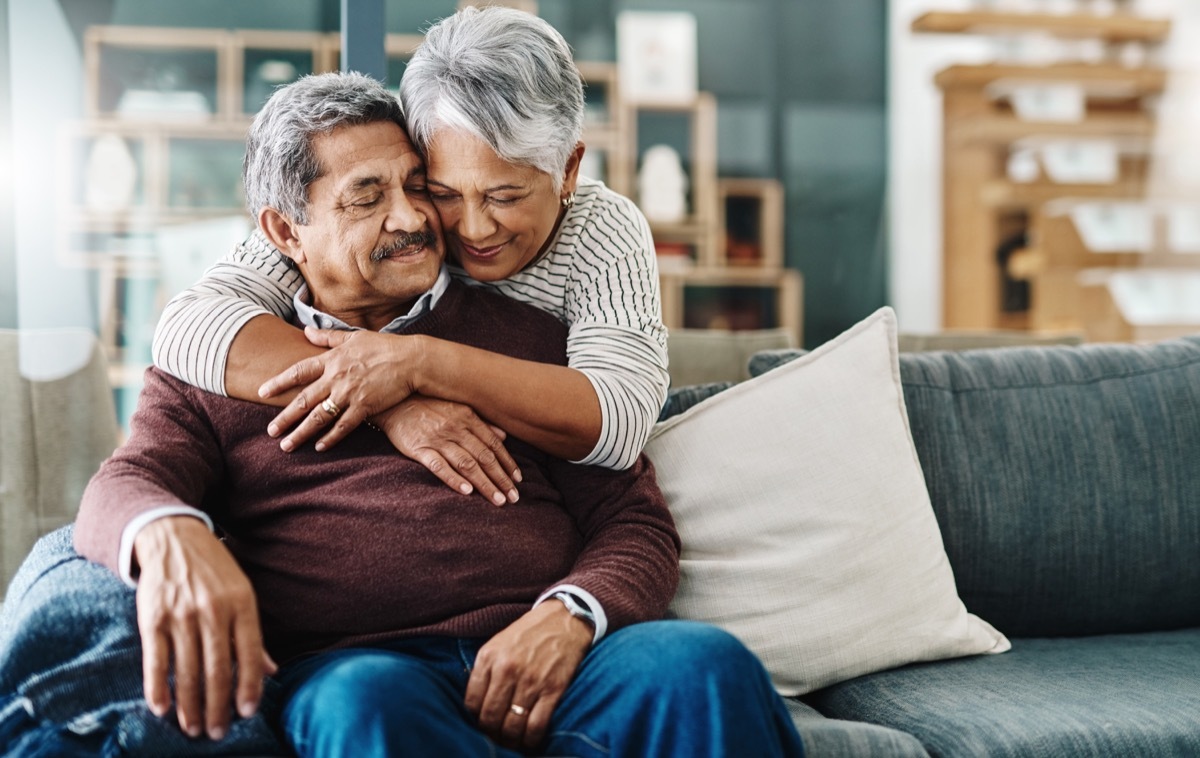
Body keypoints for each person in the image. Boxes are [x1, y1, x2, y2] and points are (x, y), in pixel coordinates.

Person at [7, 72, 804, 757]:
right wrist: (169, 535)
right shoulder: (220, 364)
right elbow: (124, 482)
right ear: (286, 231)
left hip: (557, 661)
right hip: (362, 667)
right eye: (367, 198)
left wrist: (571, 616)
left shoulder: (521, 339)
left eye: (415, 186)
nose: (414, 218)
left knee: (703, 666)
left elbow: (634, 521)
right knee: (367, 706)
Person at [152, 6, 668, 509]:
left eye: (504, 197)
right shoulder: (383, 221)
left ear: (569, 170)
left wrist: (418, 363)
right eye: (441, 191)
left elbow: (620, 423)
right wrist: (393, 400)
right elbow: (187, 327)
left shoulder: (602, 230)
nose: (472, 228)